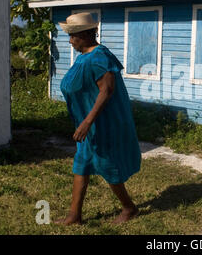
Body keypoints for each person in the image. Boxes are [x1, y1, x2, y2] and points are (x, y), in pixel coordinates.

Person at [55, 12, 141, 225]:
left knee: (106, 164)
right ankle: (75, 216)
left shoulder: (100, 56)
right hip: (90, 124)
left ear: (84, 35)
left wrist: (87, 122)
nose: (70, 41)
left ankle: (129, 208)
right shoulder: (85, 56)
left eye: (72, 36)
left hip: (102, 124)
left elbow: (107, 90)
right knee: (82, 164)